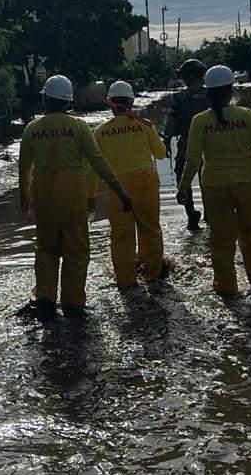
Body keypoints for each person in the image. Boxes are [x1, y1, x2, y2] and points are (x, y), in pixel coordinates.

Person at [18, 74, 132, 319]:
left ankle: (46, 300)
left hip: (44, 195)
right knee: (76, 252)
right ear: (68, 102)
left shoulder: (32, 129)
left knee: (46, 249)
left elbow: (24, 166)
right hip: (72, 195)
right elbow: (97, 161)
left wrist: (24, 194)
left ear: (45, 99)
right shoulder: (79, 127)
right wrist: (119, 190)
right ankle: (73, 304)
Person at [176, 64, 251, 300]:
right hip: (248, 182)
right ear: (231, 90)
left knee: (221, 239)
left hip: (214, 185)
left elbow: (192, 160)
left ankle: (226, 288)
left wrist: (183, 188)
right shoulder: (246, 115)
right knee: (250, 231)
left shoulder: (199, 121)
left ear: (208, 92)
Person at [89, 80, 170, 289]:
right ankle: (153, 275)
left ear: (110, 103)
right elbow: (161, 155)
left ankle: (126, 282)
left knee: (122, 236)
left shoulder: (100, 131)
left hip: (118, 188)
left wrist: (91, 196)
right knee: (150, 230)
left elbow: (94, 167)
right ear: (131, 102)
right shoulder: (145, 125)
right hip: (146, 183)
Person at [163, 58, 210, 229]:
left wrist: (166, 140)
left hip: (187, 143)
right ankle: (210, 214)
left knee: (183, 179)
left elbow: (171, 121)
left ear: (189, 76)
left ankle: (191, 213)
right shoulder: (214, 93)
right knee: (209, 179)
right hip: (211, 144)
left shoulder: (180, 97)